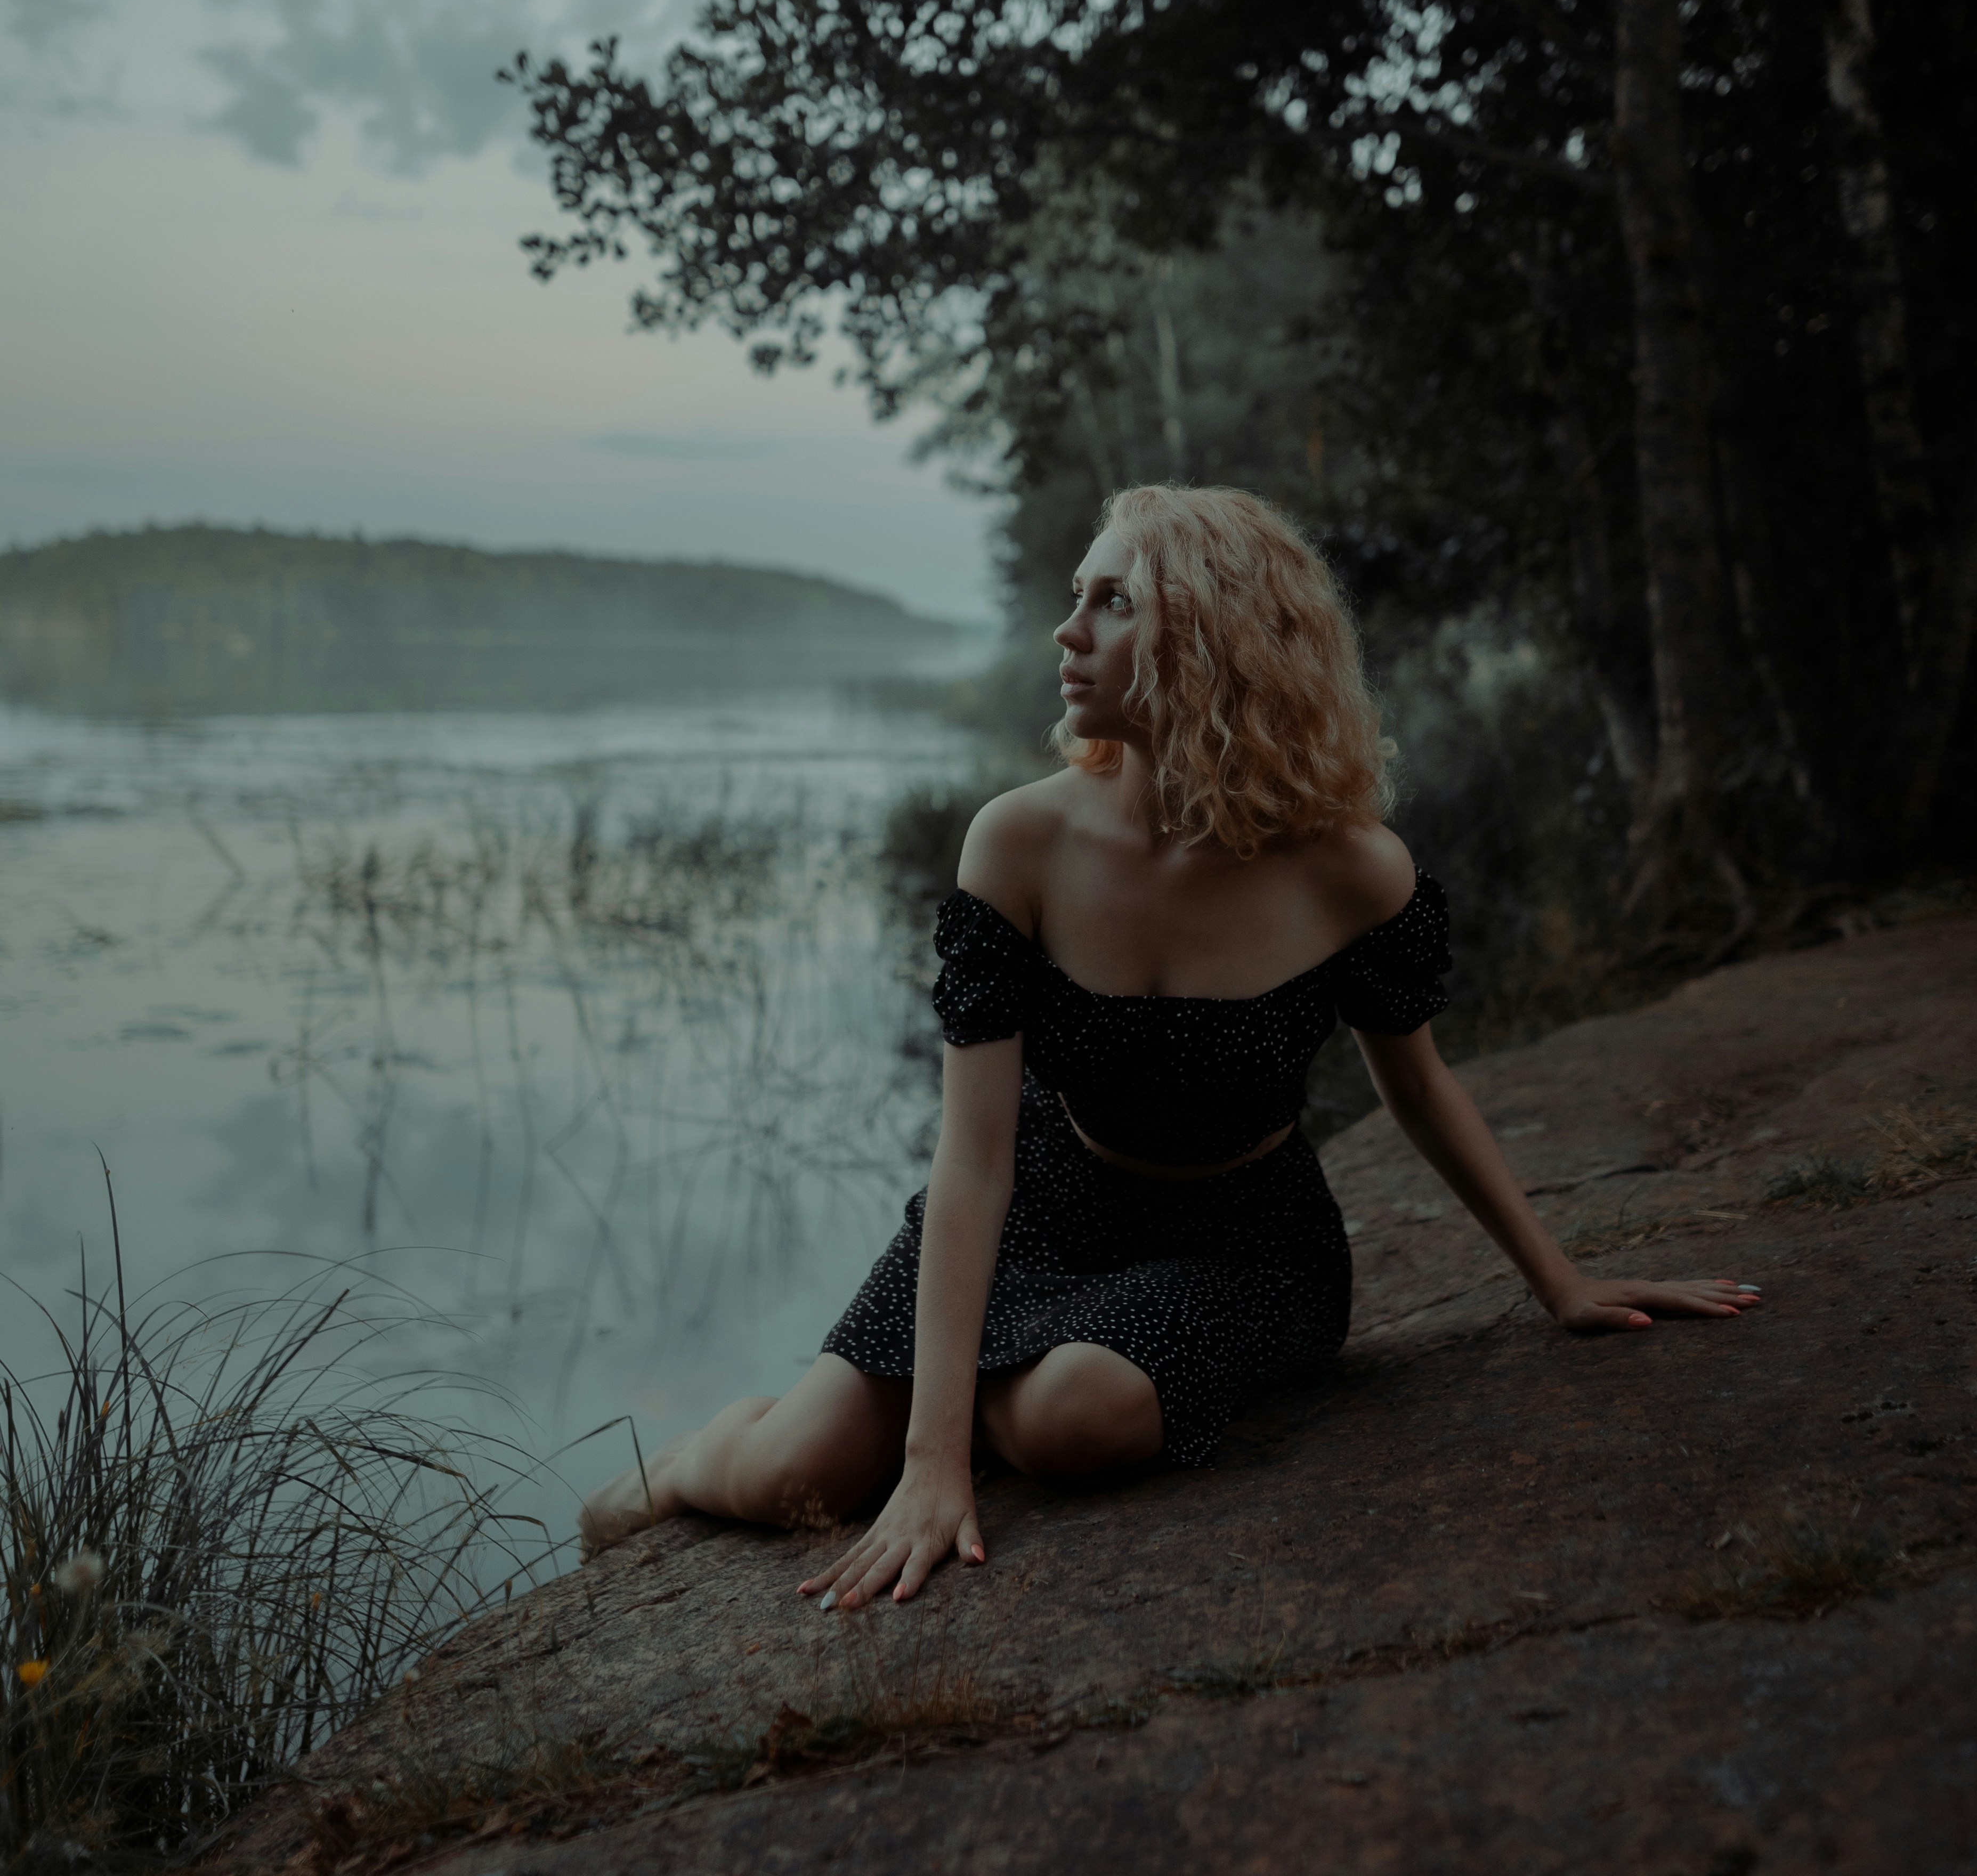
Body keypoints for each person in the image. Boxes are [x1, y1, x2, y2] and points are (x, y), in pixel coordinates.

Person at [578, 484, 1757, 1599]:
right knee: (804, 1475)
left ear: (1215, 639)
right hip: (1045, 1203)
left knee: (1070, 1419)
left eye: (1111, 601)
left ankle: (1002, 1401)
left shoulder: (1352, 868)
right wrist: (927, 1457)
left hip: (1243, 1242)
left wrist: (1559, 1279)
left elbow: (1419, 1086)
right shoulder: (1017, 843)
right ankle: (678, 1464)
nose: (1066, 628)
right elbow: (974, 1159)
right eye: (1077, 594)